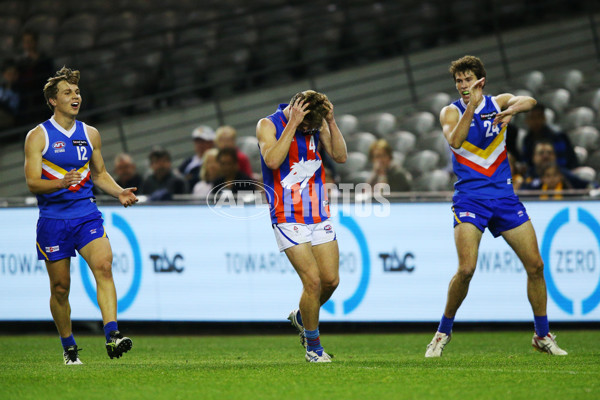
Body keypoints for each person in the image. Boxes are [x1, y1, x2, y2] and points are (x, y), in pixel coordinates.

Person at [425, 55, 567, 357]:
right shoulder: (450, 112)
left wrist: (510, 110)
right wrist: (472, 107)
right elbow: (457, 142)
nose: (463, 86)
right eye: (459, 81)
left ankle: (542, 335)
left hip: (504, 197)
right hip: (470, 198)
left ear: (481, 81)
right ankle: (442, 332)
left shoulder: (498, 102)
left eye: (468, 80)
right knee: (465, 269)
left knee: (536, 266)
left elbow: (530, 100)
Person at [23, 67, 136, 365]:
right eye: (67, 93)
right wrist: (59, 182)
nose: (75, 97)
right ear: (52, 101)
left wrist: (119, 192)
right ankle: (69, 346)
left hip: (86, 214)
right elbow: (33, 182)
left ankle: (112, 335)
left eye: (77, 92)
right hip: (53, 221)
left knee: (104, 266)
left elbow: (99, 174)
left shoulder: (90, 134)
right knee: (60, 289)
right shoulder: (37, 136)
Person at [256, 90, 347, 363]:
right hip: (286, 212)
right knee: (313, 281)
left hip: (317, 210)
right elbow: (272, 160)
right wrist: (294, 124)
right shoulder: (268, 125)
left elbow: (340, 156)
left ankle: (301, 315)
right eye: (309, 125)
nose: (311, 131)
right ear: (298, 111)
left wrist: (330, 122)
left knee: (331, 281)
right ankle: (313, 347)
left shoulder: (317, 124)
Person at [521, 103, 578, 170]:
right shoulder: (527, 139)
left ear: (544, 118)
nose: (536, 121)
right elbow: (526, 162)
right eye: (532, 118)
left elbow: (562, 162)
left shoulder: (556, 136)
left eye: (539, 117)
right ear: (526, 120)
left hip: (560, 172)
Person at [17, 30, 55, 125]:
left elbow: (48, 77)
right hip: (27, 99)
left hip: (42, 97)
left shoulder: (44, 60)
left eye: (30, 41)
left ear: (35, 42)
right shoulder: (21, 63)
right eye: (25, 42)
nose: (28, 44)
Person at [520, 140, 589, 191]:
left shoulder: (562, 172)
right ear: (534, 157)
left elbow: (585, 184)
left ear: (555, 156)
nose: (545, 156)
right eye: (541, 153)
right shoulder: (529, 175)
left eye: (549, 153)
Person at [178, 125, 215, 190]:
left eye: (203, 141)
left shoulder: (218, 160)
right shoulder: (188, 162)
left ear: (211, 143)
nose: (200, 145)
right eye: (197, 141)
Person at [0, 59, 22, 132]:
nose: (11, 76)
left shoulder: (18, 90)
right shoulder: (2, 88)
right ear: (4, 74)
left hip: (9, 116)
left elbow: (13, 108)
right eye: (9, 74)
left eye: (14, 74)